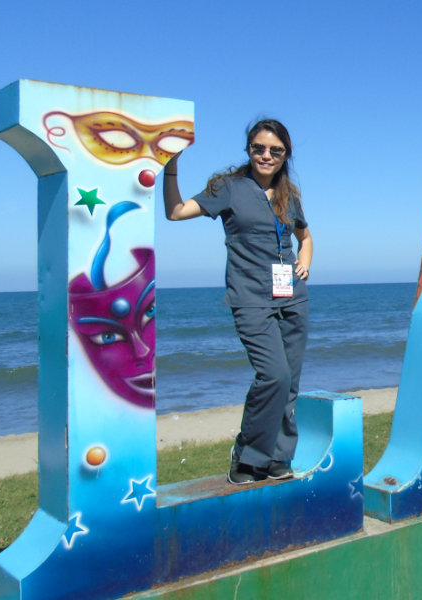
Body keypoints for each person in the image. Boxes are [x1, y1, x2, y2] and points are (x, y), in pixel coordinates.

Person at [162, 119, 313, 485]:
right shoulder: (228, 188)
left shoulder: (288, 194)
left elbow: (304, 236)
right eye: (259, 148)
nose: (266, 155)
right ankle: (247, 456)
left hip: (293, 298)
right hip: (250, 298)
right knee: (273, 375)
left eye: (275, 151)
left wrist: (304, 262)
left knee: (289, 383)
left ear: (285, 155)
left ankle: (278, 458)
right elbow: (176, 212)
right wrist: (171, 166)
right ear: (248, 149)